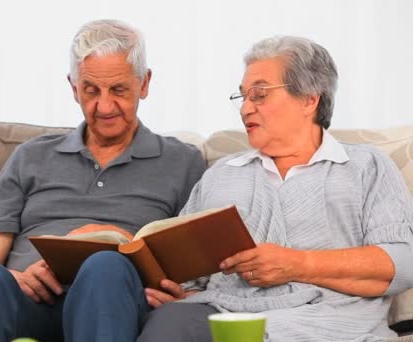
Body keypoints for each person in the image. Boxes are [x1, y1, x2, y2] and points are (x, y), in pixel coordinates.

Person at [0, 19, 205, 342]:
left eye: (118, 90)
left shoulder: (182, 161)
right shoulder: (31, 156)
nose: (104, 106)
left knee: (104, 265)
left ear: (144, 84)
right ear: (73, 87)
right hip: (32, 302)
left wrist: (176, 297)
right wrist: (14, 277)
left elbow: (197, 272)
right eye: (91, 90)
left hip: (115, 302)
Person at [137, 35, 413, 341]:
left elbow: (401, 263)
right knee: (171, 322)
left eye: (259, 95)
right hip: (226, 315)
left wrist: (297, 264)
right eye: (242, 97)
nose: (245, 110)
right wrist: (180, 293)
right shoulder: (221, 175)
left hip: (329, 320)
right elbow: (187, 272)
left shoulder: (365, 166)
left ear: (309, 98)